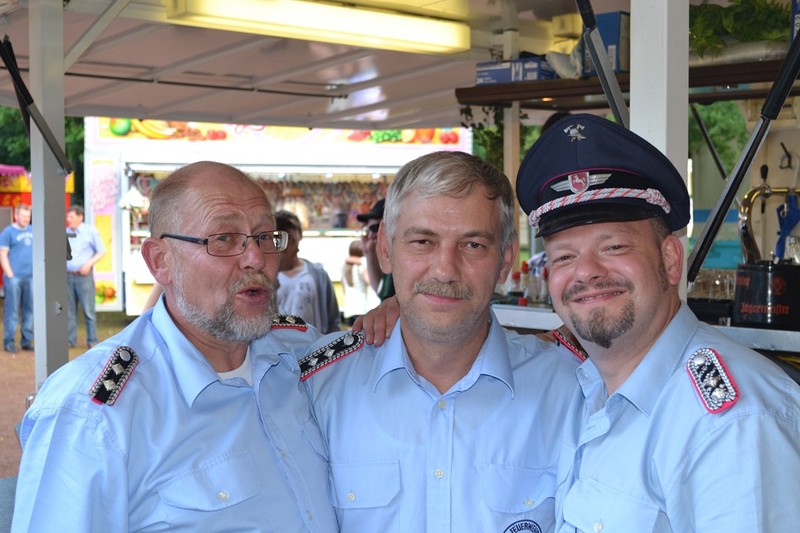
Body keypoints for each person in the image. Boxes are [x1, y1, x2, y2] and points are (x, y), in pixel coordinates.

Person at [12, 161, 338, 532]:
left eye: (265, 236)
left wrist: (390, 313)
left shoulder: (303, 354)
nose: (256, 258)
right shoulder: (93, 414)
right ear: (160, 262)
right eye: (224, 238)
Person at [515, 113, 800, 532]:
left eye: (613, 247)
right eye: (564, 256)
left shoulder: (733, 424)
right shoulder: (588, 390)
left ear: (669, 260)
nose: (586, 271)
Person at [301, 151, 580, 532]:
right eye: (422, 241)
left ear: (505, 259)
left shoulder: (570, 391)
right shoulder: (317, 388)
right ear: (385, 249)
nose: (445, 270)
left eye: (473, 245)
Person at [275, 209, 341, 333]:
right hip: (279, 343)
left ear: (299, 235)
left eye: (290, 236)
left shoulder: (318, 275)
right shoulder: (269, 276)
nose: (287, 243)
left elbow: (333, 318)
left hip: (316, 343)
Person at [65, 205, 106, 349]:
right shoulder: (65, 232)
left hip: (84, 277)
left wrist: (88, 264)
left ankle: (92, 340)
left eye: (71, 217)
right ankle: (70, 340)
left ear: (80, 217)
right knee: (69, 310)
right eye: (67, 217)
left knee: (88, 310)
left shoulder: (90, 232)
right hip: (67, 277)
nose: (68, 219)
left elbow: (101, 251)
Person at [0, 203, 34, 353]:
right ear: (16, 216)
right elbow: (2, 255)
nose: (26, 219)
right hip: (14, 278)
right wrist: (10, 275)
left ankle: (26, 341)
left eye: (28, 216)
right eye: (23, 216)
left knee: (30, 310)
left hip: (31, 278)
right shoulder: (8, 232)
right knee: (12, 311)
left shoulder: (33, 231)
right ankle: (9, 342)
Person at [357, 199, 394, 300]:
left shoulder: (399, 259)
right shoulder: (389, 259)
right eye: (368, 230)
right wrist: (369, 253)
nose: (370, 236)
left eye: (375, 228)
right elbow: (380, 291)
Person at [340, 239, 372, 326]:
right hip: (360, 308)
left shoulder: (344, 268)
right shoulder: (360, 267)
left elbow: (343, 289)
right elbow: (369, 281)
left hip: (348, 309)